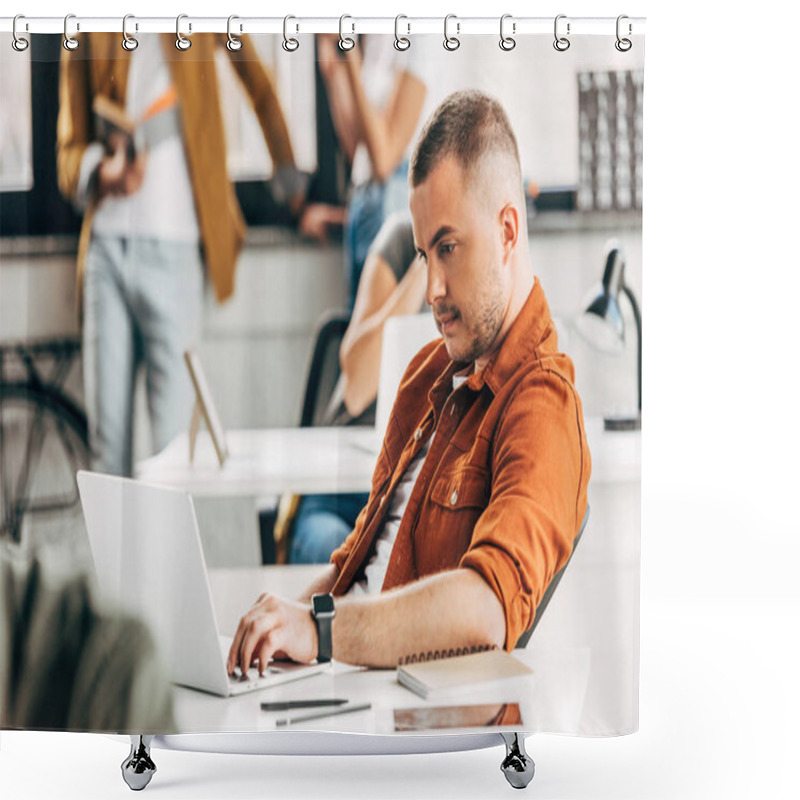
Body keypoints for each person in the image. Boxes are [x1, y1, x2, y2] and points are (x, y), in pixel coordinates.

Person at [227, 90, 591, 672]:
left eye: (448, 247)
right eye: (425, 256)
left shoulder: (542, 403)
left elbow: (486, 607)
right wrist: (270, 631)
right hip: (347, 686)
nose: (432, 290)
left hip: (397, 713)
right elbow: (354, 564)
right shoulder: (426, 374)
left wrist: (318, 632)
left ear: (506, 231)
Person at [57, 33, 303, 477]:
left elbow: (258, 83)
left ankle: (163, 551)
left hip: (176, 252)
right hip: (105, 256)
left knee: (172, 461)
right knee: (106, 455)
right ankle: (115, 550)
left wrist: (295, 198)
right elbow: (67, 152)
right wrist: (101, 169)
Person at [288, 212, 427, 565]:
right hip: (342, 492)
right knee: (339, 558)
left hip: (411, 497)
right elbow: (357, 388)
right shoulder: (401, 239)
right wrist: (426, 261)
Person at [309, 33, 433, 308]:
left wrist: (349, 47)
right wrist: (333, 64)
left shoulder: (417, 36)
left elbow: (383, 158)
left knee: (384, 339)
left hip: (391, 202)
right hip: (363, 202)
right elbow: (357, 147)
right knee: (363, 330)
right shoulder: (379, 37)